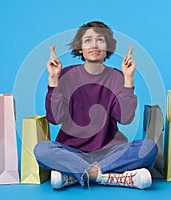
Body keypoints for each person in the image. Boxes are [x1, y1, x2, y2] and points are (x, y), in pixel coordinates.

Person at [34, 21, 158, 190]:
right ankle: (109, 177)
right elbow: (55, 119)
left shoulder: (116, 77)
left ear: (108, 47)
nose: (94, 45)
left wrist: (128, 80)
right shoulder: (66, 75)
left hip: (109, 152)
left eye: (100, 40)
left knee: (149, 148)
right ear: (80, 48)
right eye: (88, 41)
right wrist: (53, 80)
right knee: (42, 150)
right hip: (72, 151)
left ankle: (75, 175)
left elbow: (126, 118)